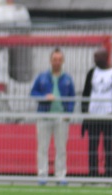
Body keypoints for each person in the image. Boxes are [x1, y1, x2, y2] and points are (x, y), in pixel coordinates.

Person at [30, 48, 76, 183]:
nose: (57, 62)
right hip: (44, 117)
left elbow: (72, 97)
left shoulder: (67, 78)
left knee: (61, 148)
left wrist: (69, 113)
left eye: (59, 60)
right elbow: (33, 93)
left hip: (61, 118)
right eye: (55, 59)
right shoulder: (42, 77)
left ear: (63, 61)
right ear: (50, 61)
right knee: (42, 148)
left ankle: (60, 175)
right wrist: (44, 97)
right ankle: (42, 175)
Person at [82, 48, 112, 178]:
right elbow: (86, 92)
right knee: (92, 146)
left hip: (110, 115)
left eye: (98, 57)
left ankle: (109, 172)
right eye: (95, 57)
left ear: (106, 58)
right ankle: (93, 173)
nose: (95, 60)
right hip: (93, 116)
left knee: (108, 146)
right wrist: (85, 111)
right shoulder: (92, 73)